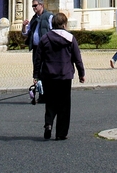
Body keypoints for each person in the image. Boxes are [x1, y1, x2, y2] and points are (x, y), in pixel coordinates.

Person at [36, 11, 85, 140]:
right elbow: (77, 57)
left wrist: (36, 76)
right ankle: (61, 133)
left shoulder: (45, 38)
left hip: (48, 74)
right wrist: (81, 73)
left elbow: (38, 59)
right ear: (64, 25)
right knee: (64, 104)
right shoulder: (70, 38)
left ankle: (48, 124)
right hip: (65, 75)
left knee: (50, 102)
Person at [23, 0, 53, 105]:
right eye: (32, 6)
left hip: (46, 49)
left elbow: (53, 31)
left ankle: (48, 95)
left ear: (41, 5)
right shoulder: (34, 19)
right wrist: (24, 26)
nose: (34, 8)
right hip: (36, 49)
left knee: (46, 71)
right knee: (38, 72)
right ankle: (41, 95)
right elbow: (26, 33)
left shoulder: (49, 16)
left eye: (35, 6)